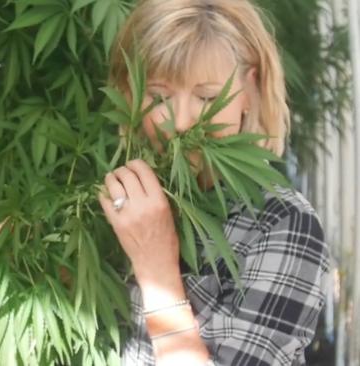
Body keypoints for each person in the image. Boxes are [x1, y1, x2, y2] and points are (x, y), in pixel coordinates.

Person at [97, 1, 331, 365]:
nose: (182, 122)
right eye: (159, 97)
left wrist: (156, 266)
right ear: (129, 94)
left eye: (207, 97)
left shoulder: (282, 224)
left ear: (248, 92)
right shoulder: (119, 200)